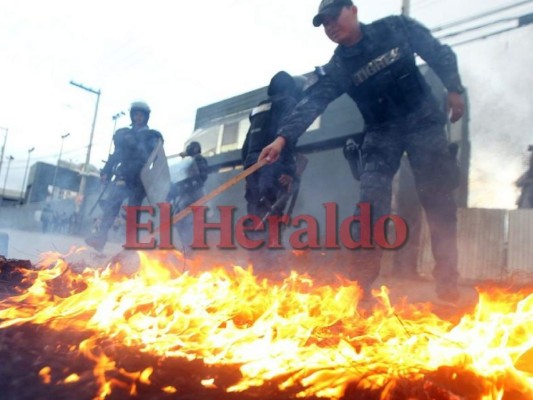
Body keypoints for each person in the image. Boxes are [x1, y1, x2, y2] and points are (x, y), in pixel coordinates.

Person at [259, 0, 465, 302]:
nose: (330, 27)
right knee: (370, 208)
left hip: (423, 121)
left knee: (438, 199)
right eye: (324, 24)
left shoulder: (395, 28)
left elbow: (436, 50)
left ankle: (447, 285)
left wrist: (454, 88)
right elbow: (313, 101)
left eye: (333, 18)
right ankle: (360, 288)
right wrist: (282, 139)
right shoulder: (340, 66)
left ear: (353, 10)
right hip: (382, 132)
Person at [241, 71, 306, 271]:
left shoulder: (258, 108)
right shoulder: (288, 103)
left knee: (255, 213)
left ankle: (257, 263)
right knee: (272, 213)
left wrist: (248, 169)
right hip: (273, 164)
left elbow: (246, 145)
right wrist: (289, 172)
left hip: (253, 165)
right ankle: (269, 267)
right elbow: (287, 139)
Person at [85, 101, 164, 252]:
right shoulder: (124, 134)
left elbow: (156, 157)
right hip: (123, 175)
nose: (138, 117)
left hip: (140, 179)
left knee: (133, 211)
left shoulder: (151, 136)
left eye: (141, 115)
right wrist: (107, 171)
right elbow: (116, 155)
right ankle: (101, 237)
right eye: (135, 114)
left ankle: (131, 244)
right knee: (110, 206)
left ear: (146, 117)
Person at [167, 141, 208, 258]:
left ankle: (191, 250)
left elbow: (201, 178)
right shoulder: (187, 162)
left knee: (188, 222)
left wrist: (185, 187)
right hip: (185, 196)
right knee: (181, 221)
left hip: (193, 196)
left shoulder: (198, 159)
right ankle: (188, 248)